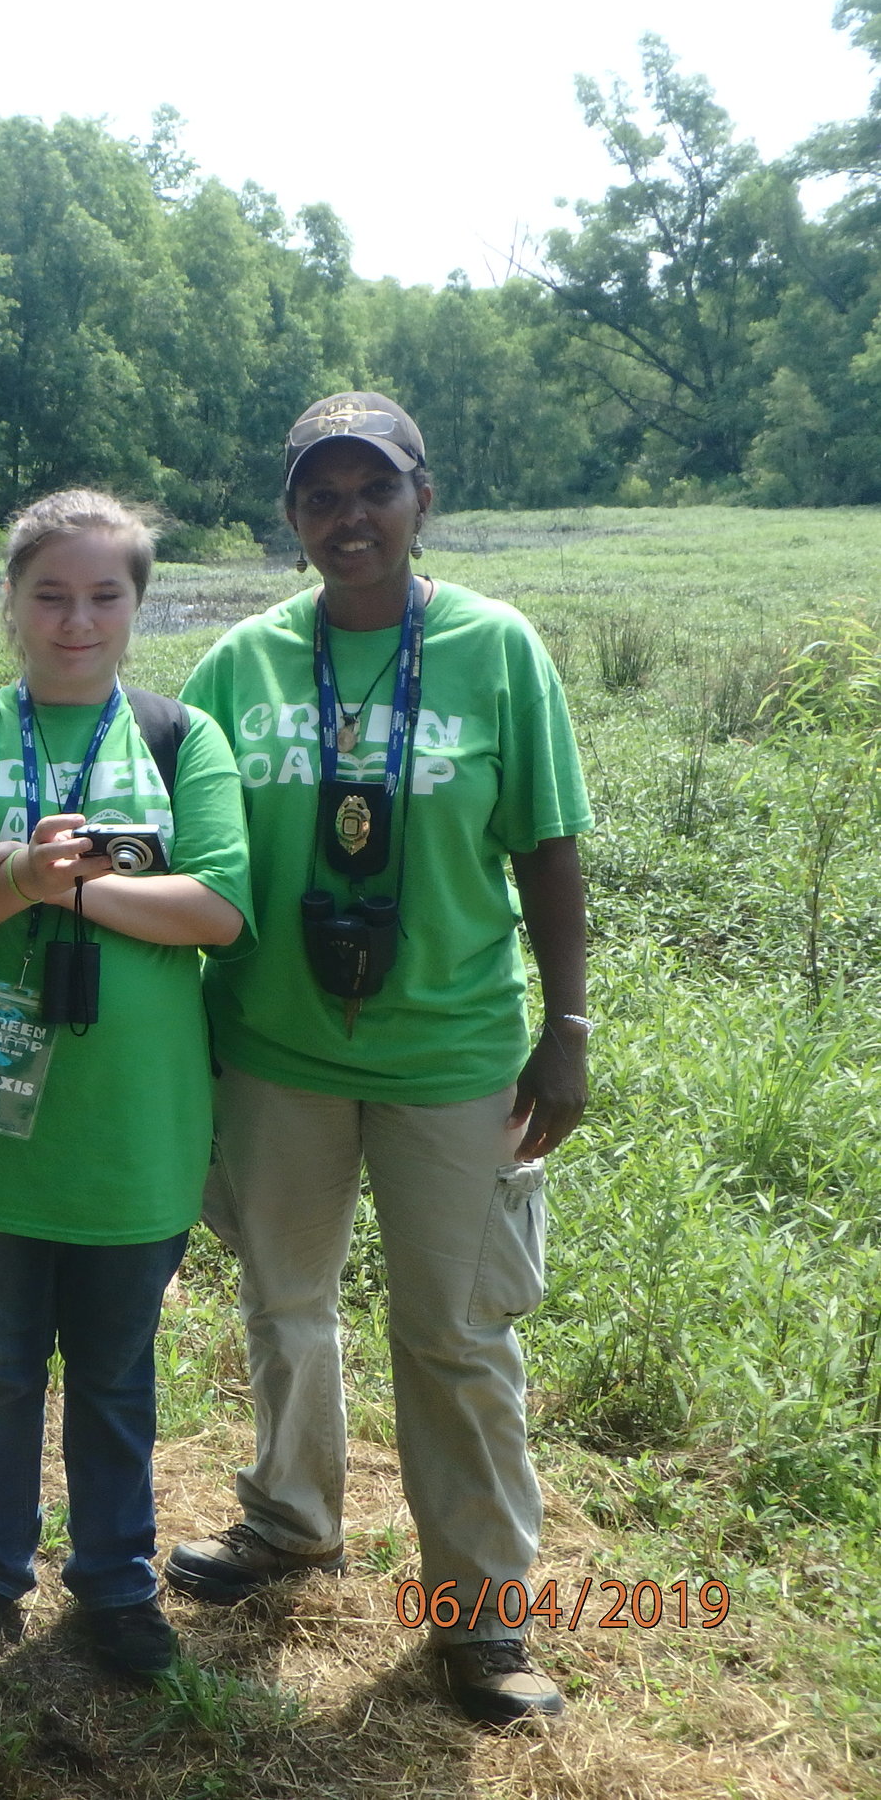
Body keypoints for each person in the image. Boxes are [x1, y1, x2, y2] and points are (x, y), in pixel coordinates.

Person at [165, 393, 591, 1727]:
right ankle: (291, 1521)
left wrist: (567, 1024)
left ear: (422, 499)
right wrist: (0, 724)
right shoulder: (243, 662)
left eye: (374, 489)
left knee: (458, 1337)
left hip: (454, 1054)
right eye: (319, 495)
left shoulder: (495, 649)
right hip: (273, 1045)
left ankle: (482, 1614)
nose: (348, 518)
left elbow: (550, 841)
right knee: (285, 1301)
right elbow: (169, 817)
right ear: (290, 518)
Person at [0, 491, 251, 1676]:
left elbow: (219, 909)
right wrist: (7, 882)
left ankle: (115, 1587)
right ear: (14, 604)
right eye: (50, 595)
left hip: (133, 1127)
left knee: (118, 1376)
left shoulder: (186, 737)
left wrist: (52, 886)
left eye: (103, 596)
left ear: (137, 604)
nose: (76, 621)